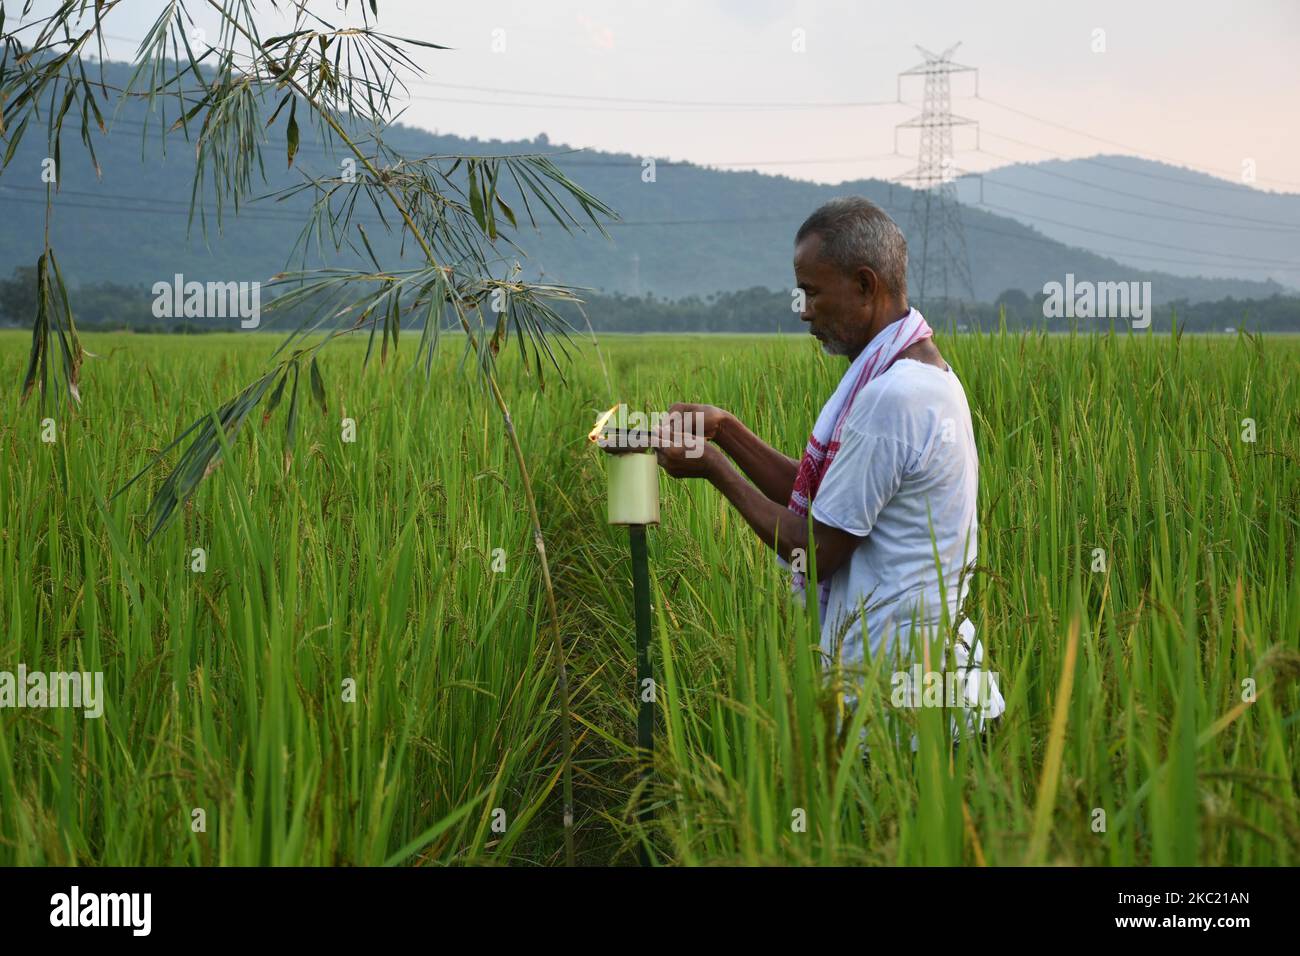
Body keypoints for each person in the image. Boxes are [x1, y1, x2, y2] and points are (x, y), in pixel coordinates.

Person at [653, 196, 1003, 739]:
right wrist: (726, 430)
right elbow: (824, 497)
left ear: (866, 285)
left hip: (906, 714)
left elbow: (814, 549)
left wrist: (717, 470)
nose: (803, 310)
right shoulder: (912, 371)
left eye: (813, 292)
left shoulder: (896, 396)